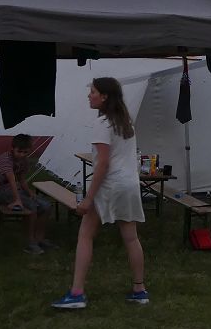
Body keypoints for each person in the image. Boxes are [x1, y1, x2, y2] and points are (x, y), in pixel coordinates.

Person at [52, 78, 147, 309]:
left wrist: (88, 198)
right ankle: (139, 290)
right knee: (131, 237)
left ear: (104, 96)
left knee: (85, 235)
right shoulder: (125, 122)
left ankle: (76, 293)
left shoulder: (102, 124)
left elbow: (103, 164)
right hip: (129, 184)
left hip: (110, 185)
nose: (89, 95)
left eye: (93, 92)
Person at [0, 133, 54, 255]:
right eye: (19, 151)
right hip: (1, 190)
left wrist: (29, 192)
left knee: (46, 205)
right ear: (12, 148)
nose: (22, 155)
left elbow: (21, 179)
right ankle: (30, 243)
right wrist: (17, 199)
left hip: (16, 189)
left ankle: (40, 238)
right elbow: (12, 180)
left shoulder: (23, 161)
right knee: (31, 206)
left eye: (25, 152)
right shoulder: (5, 160)